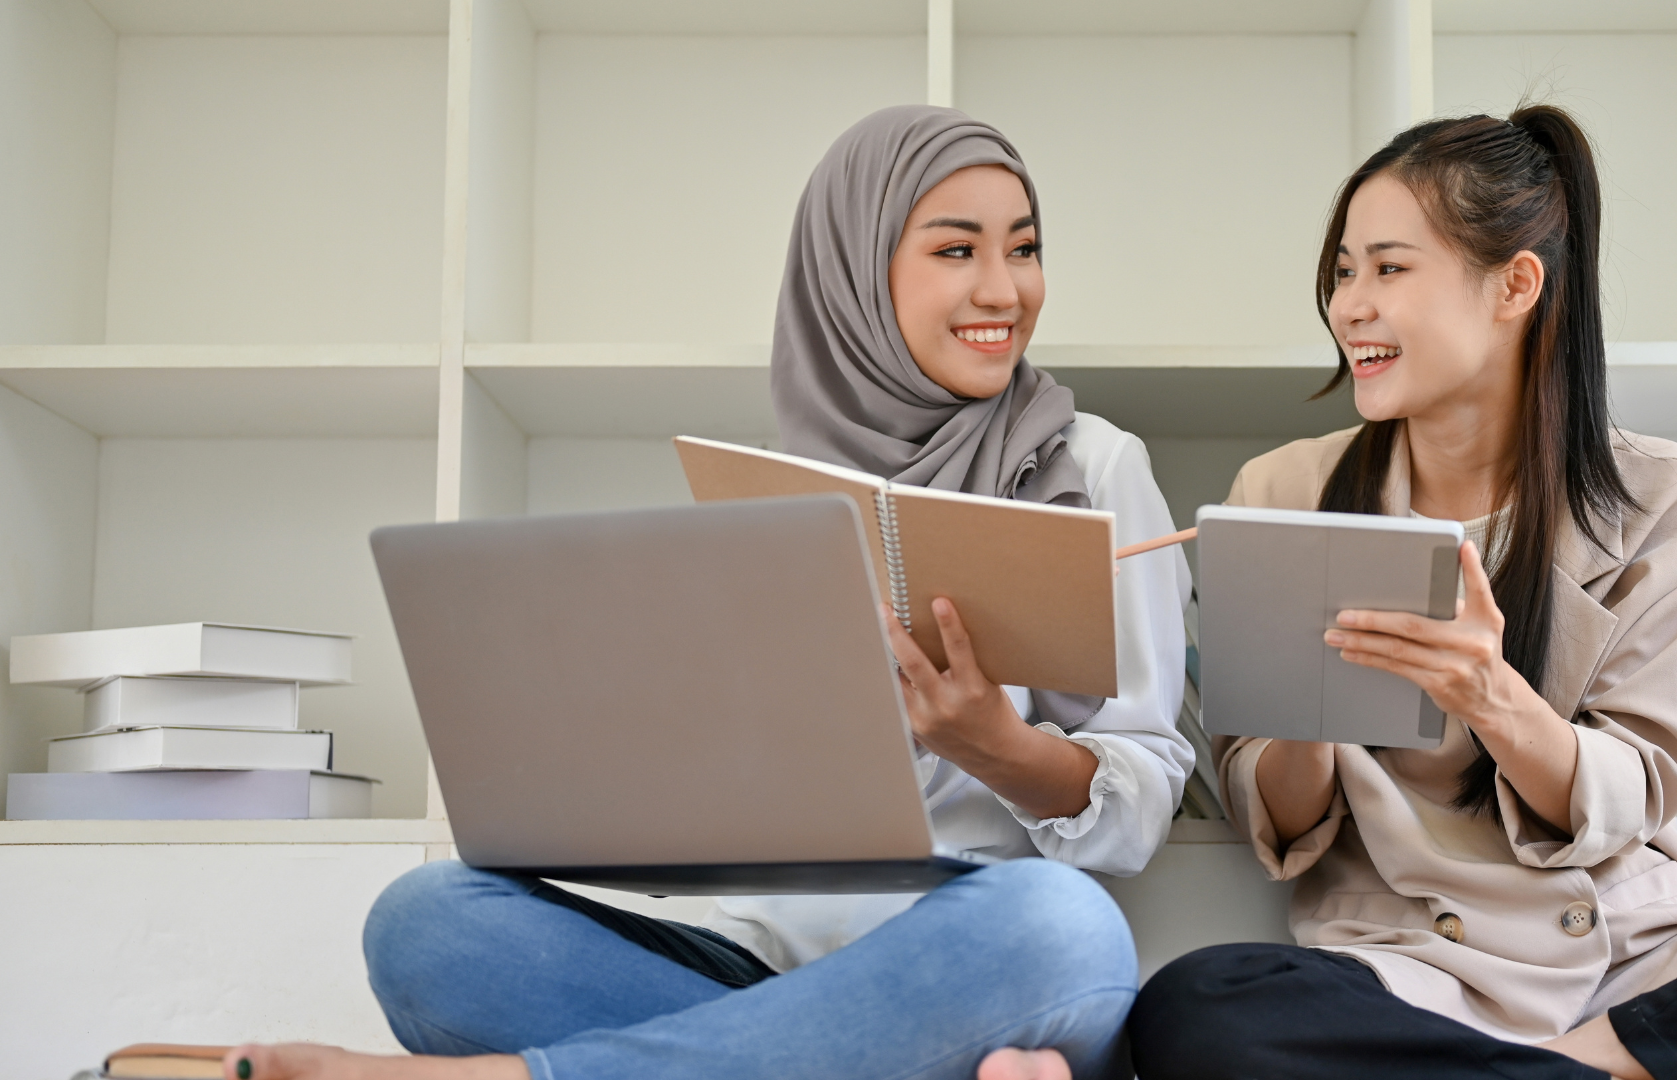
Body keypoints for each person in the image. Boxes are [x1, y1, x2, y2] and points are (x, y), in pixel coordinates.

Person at [217, 106, 1193, 1080]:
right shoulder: (775, 488)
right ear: (853, 271)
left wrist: (1000, 751)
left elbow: (1144, 792)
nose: (1003, 289)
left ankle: (525, 1078)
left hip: (979, 964)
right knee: (425, 926)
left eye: (1023, 249)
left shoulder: (1094, 466)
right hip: (756, 975)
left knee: (1065, 931)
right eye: (956, 250)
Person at [1126, 106, 1677, 1079]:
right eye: (1341, 272)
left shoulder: (1668, 501)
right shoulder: (1281, 492)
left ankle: (1609, 1059)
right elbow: (1272, 818)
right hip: (1412, 972)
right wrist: (1310, 704)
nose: (1348, 306)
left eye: (1388, 268)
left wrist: (1491, 696)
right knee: (1197, 1006)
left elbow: (1635, 794)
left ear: (1515, 286)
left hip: (1643, 967)